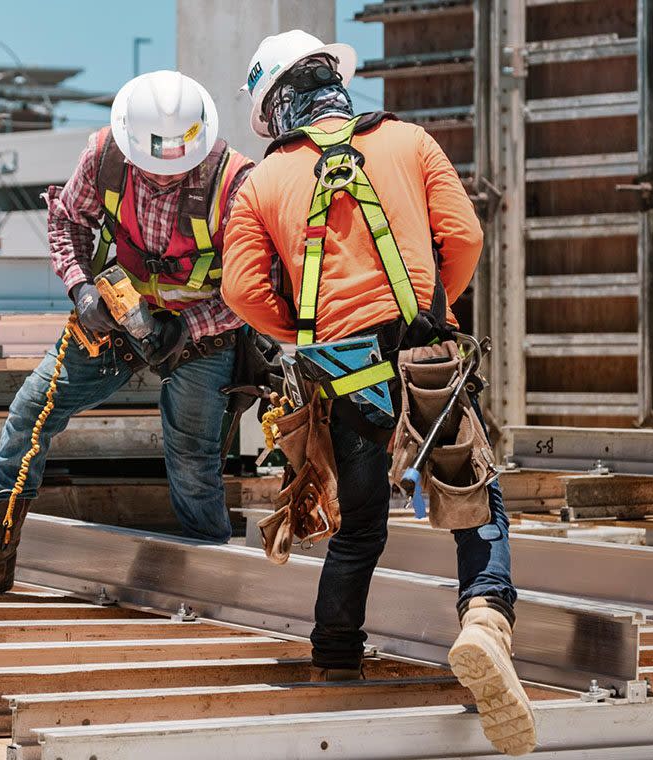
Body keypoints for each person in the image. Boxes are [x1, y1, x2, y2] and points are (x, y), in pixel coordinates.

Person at [221, 30, 536, 757]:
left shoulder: (261, 183)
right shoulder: (411, 142)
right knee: (471, 495)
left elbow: (241, 291)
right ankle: (486, 619)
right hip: (427, 354)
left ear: (277, 107)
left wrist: (311, 330)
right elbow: (465, 239)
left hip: (342, 375)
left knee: (360, 527)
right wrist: (434, 313)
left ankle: (335, 656)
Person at [0, 70, 254, 599]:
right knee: (31, 414)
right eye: (153, 168)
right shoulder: (104, 154)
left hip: (201, 331)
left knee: (193, 460)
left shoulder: (236, 181)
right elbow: (68, 222)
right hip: (115, 318)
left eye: (178, 167)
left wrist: (187, 326)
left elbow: (253, 287)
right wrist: (82, 289)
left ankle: (210, 579)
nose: (166, 178)